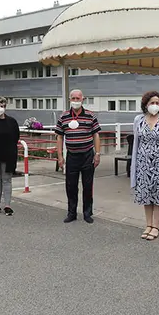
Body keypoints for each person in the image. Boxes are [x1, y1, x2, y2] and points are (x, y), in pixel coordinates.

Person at [130, 91, 159, 241]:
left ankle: (156, 226)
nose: (155, 105)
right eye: (152, 103)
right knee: (145, 196)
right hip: (142, 164)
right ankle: (148, 225)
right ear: (145, 104)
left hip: (158, 164)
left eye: (157, 103)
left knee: (158, 195)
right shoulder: (138, 119)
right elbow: (137, 140)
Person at [55, 89, 101, 224]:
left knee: (88, 185)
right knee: (71, 186)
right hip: (72, 156)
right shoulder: (63, 117)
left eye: (78, 98)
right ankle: (71, 213)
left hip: (88, 155)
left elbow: (96, 134)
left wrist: (97, 154)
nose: (76, 101)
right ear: (70, 99)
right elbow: (59, 137)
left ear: (83, 99)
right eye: (73, 98)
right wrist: (60, 157)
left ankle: (87, 213)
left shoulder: (90, 116)